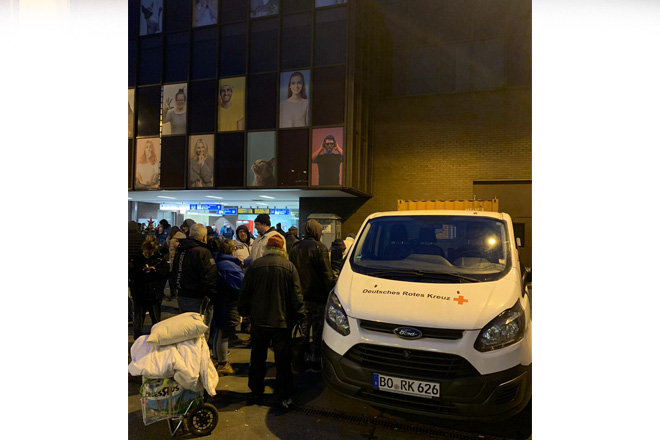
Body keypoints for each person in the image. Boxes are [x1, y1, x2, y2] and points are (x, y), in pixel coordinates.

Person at [238, 235, 305, 408]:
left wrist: (244, 311)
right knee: (282, 360)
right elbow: (296, 296)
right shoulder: (289, 267)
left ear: (267, 248)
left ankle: (256, 392)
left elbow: (245, 291)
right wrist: (301, 315)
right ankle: (283, 393)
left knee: (257, 357)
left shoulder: (255, 266)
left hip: (259, 321)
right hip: (281, 322)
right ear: (283, 250)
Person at [288, 219, 336, 372]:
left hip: (299, 297)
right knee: (317, 331)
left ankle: (298, 362)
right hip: (317, 297)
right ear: (316, 231)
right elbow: (327, 275)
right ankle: (315, 361)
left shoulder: (295, 247)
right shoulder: (319, 247)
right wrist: (330, 292)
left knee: (301, 331)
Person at [171, 224, 218, 341]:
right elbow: (209, 276)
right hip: (199, 298)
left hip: (182, 294)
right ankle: (200, 358)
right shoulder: (203, 252)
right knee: (200, 333)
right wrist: (212, 295)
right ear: (204, 237)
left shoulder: (181, 250)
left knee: (186, 331)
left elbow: (174, 271)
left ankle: (187, 356)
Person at [208, 238, 243, 376]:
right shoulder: (229, 265)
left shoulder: (219, 262)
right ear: (232, 251)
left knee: (218, 330)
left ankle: (217, 359)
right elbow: (242, 283)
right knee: (224, 332)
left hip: (220, 300)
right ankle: (223, 363)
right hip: (227, 302)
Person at [129, 240, 169, 340]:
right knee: (138, 320)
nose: (147, 255)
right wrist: (141, 271)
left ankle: (156, 339)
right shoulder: (136, 259)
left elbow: (166, 273)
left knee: (155, 319)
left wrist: (156, 271)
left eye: (149, 253)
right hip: (140, 292)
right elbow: (131, 274)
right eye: (146, 252)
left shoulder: (159, 259)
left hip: (154, 293)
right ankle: (138, 340)